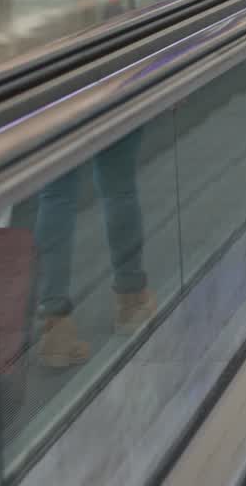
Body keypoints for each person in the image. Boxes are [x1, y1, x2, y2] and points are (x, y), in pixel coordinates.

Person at [34, 129, 155, 369]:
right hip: (109, 93)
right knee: (120, 189)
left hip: (52, 104)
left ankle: (55, 327)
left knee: (55, 196)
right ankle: (130, 301)